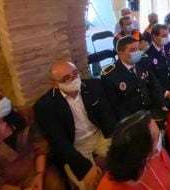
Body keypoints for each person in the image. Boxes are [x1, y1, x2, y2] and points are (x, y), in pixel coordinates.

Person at [34, 62, 117, 190]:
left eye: (75, 73)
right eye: (66, 78)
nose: (74, 79)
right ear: (55, 84)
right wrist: (84, 169)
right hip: (75, 146)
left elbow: (108, 116)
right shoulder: (45, 106)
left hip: (99, 135)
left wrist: (119, 139)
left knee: (125, 162)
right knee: (90, 185)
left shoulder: (94, 86)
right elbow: (59, 143)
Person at [0, 85, 65, 190]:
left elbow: (41, 145)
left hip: (38, 169)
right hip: (9, 184)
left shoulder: (24, 115)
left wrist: (40, 174)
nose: (0, 103)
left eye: (1, 97)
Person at [98, 110, 170, 190]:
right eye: (157, 138)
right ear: (141, 153)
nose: (161, 139)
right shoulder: (109, 187)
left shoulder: (156, 153)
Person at [101, 36, 168, 121]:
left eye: (138, 49)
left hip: (151, 107)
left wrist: (162, 104)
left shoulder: (144, 61)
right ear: (120, 54)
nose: (138, 52)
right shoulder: (110, 75)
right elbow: (115, 105)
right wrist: (132, 122)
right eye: (133, 50)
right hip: (132, 116)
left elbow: (154, 84)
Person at [146, 24, 170, 106]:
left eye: (167, 35)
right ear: (154, 37)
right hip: (161, 92)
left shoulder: (168, 46)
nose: (167, 38)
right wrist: (166, 93)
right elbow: (152, 80)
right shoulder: (148, 54)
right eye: (164, 36)